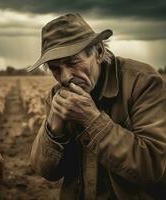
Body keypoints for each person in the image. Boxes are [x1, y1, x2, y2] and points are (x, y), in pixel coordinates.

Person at [28, 13, 166, 199]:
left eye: (73, 62)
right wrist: (54, 128)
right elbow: (46, 171)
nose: (65, 77)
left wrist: (92, 120)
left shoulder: (143, 83)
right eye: (55, 68)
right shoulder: (57, 95)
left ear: (99, 52)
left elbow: (152, 165)